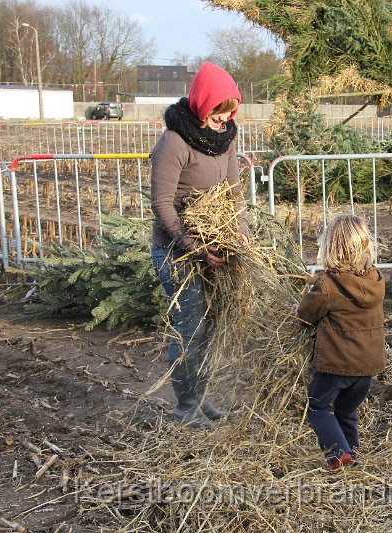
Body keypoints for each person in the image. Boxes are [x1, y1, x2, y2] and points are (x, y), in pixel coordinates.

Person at [150, 62, 249, 430]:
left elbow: (232, 192)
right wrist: (190, 244)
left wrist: (239, 230)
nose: (224, 117)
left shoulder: (225, 138)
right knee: (190, 327)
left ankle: (201, 399)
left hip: (214, 247)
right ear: (202, 102)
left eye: (230, 110)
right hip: (176, 251)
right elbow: (161, 205)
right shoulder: (174, 142)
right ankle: (186, 408)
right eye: (219, 109)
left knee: (208, 329)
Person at [294, 215, 386, 468]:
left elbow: (305, 316)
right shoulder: (376, 279)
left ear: (330, 247)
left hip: (335, 364)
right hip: (367, 366)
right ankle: (351, 455)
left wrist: (297, 308)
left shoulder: (327, 283)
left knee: (318, 407)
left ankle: (338, 454)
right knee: (346, 411)